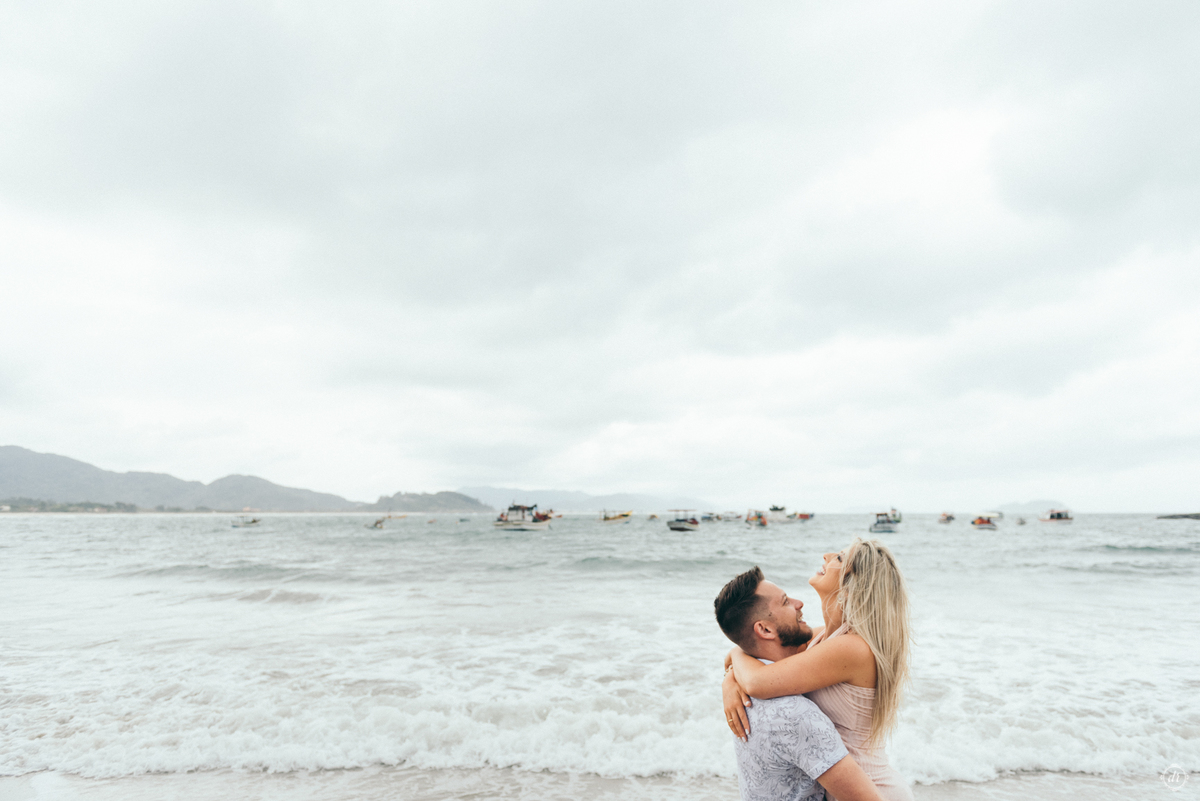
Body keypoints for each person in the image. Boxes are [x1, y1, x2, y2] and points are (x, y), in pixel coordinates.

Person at [721, 540, 913, 801]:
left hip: (871, 790)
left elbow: (758, 682)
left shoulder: (851, 648)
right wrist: (731, 674)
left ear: (855, 584)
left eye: (840, 558)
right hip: (844, 786)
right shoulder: (826, 638)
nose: (827, 555)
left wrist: (735, 656)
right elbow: (767, 646)